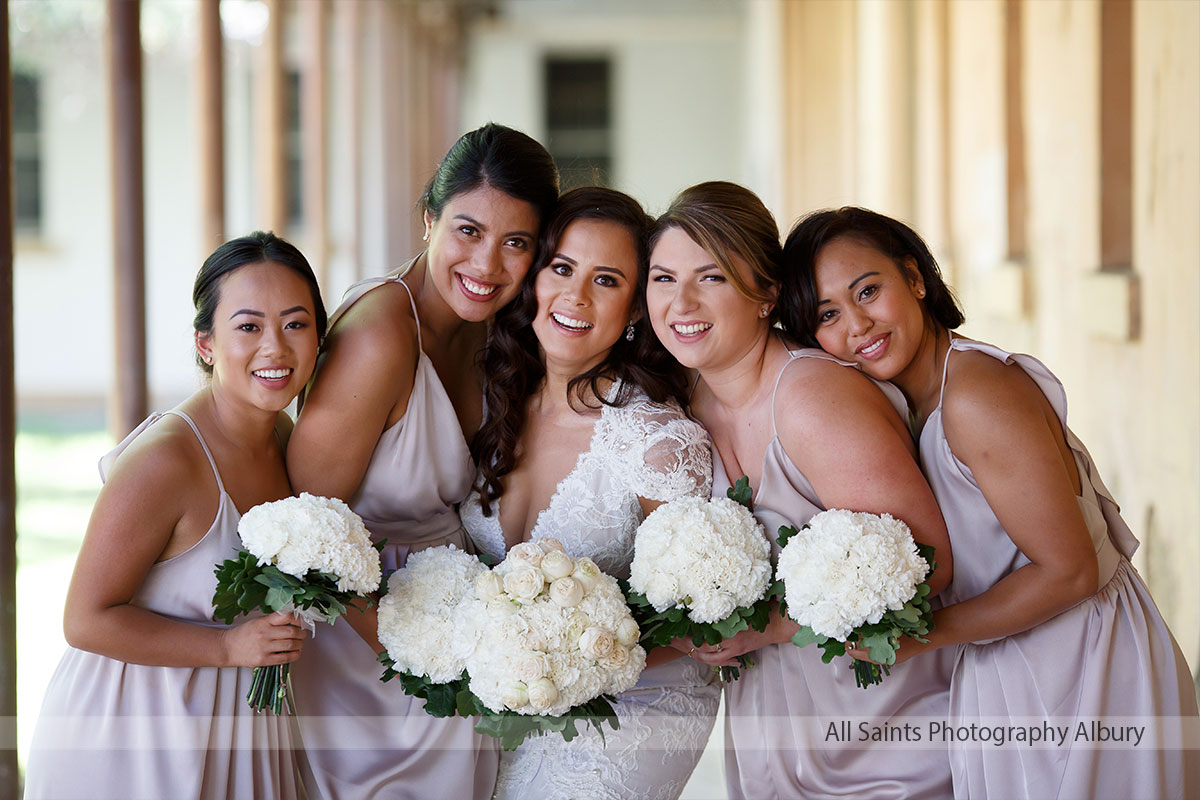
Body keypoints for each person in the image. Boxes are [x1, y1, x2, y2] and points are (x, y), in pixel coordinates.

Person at [783, 206, 1199, 799]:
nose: (857, 324)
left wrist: (916, 638)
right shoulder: (905, 407)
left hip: (1084, 663)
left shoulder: (976, 395)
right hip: (1003, 659)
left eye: (868, 290)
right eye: (828, 314)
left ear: (915, 278)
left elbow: (1071, 570)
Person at [644, 182, 956, 800]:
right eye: (661, 278)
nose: (681, 302)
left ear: (765, 293)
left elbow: (931, 566)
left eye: (711, 277)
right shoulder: (677, 404)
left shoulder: (813, 398)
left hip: (882, 724)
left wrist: (769, 628)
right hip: (775, 726)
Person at [285, 123, 559, 800]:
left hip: (453, 634)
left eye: (516, 243)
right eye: (468, 230)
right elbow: (304, 531)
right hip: (364, 652)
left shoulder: (495, 331)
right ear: (430, 218)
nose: (487, 265)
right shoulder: (381, 335)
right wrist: (409, 647)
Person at [24, 232, 323, 798]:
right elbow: (84, 620)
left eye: (295, 323)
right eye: (248, 326)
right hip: (135, 740)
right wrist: (228, 649)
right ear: (206, 344)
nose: (275, 348)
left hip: (239, 730)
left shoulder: (287, 440)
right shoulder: (167, 461)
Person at [459, 186, 718, 800]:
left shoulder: (654, 439)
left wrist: (570, 663)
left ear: (634, 308)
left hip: (632, 711)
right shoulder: (497, 406)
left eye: (606, 280)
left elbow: (702, 619)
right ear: (535, 281)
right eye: (562, 268)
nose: (575, 297)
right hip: (508, 704)